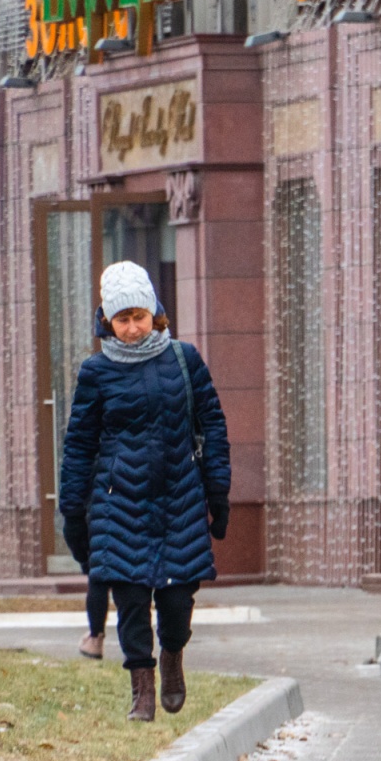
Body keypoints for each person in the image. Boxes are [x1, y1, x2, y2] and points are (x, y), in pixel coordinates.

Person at [58, 261, 230, 722]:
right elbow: (79, 444)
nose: (132, 329)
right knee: (131, 601)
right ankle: (142, 688)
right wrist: (73, 509)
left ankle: (172, 656)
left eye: (139, 317)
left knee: (177, 602)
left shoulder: (183, 359)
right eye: (122, 320)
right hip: (120, 503)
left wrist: (219, 491)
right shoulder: (96, 372)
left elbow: (211, 423)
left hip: (180, 501)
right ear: (108, 322)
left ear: (155, 313)